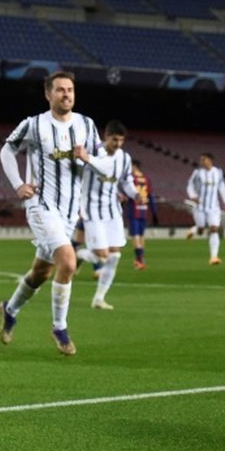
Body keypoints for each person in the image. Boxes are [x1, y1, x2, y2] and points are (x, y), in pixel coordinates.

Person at [0, 71, 102, 356]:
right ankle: (59, 327)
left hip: (70, 213)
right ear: (48, 94)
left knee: (41, 272)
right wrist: (19, 185)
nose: (66, 94)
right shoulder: (33, 125)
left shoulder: (86, 125)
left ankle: (9, 309)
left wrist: (89, 159)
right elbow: (6, 152)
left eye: (70, 89)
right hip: (41, 206)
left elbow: (102, 160)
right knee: (68, 262)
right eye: (60, 90)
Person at [74, 120, 139, 310]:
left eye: (121, 141)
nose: (118, 144)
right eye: (114, 140)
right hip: (92, 210)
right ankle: (77, 255)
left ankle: (99, 298)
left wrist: (135, 194)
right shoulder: (91, 152)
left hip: (112, 211)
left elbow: (126, 180)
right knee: (101, 255)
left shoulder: (124, 158)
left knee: (114, 256)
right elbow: (88, 170)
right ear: (106, 136)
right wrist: (85, 159)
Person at [185, 152, 225, 265]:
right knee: (201, 229)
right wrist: (193, 196)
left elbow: (221, 186)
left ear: (210, 160)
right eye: (201, 160)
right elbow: (190, 185)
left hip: (213, 207)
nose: (201, 162)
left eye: (203, 159)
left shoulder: (218, 172)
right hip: (199, 206)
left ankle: (214, 257)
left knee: (214, 228)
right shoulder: (198, 172)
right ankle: (195, 229)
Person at [127, 159, 158, 269]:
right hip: (144, 210)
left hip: (133, 209)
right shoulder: (146, 179)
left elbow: (128, 193)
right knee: (141, 236)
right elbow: (150, 196)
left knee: (135, 236)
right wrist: (154, 212)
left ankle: (139, 260)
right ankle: (140, 259)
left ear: (134, 166)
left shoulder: (131, 179)